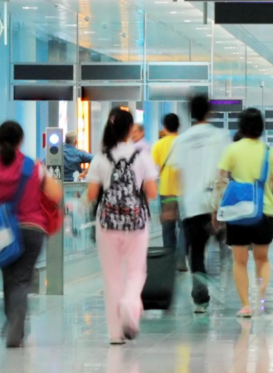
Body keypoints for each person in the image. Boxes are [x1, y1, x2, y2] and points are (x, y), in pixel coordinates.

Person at [0, 121, 65, 347]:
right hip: (33, 228)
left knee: (8, 277)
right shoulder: (34, 167)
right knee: (22, 279)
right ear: (21, 141)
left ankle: (14, 320)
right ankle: (17, 322)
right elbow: (56, 194)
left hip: (3, 232)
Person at [85, 108, 159, 344]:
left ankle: (115, 333)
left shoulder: (100, 157)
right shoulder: (142, 156)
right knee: (136, 271)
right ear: (129, 130)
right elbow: (152, 192)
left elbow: (91, 194)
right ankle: (129, 303)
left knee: (112, 277)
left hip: (107, 224)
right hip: (136, 223)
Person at [218, 108, 273, 318]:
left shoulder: (232, 150)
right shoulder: (270, 152)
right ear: (261, 127)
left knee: (239, 261)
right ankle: (260, 294)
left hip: (237, 211)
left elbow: (221, 180)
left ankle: (245, 305)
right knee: (262, 258)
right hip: (264, 211)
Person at [167, 95, 230, 313]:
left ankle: (200, 299)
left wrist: (171, 205)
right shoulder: (220, 136)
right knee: (225, 246)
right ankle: (225, 283)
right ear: (209, 112)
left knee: (196, 251)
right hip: (215, 203)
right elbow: (224, 172)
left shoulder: (181, 140)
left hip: (191, 205)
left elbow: (177, 174)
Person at [151, 113, 184, 257]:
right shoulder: (184, 143)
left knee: (168, 227)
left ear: (164, 127)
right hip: (183, 192)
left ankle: (170, 259)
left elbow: (152, 169)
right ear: (178, 126)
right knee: (184, 227)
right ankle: (181, 257)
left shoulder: (159, 145)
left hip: (166, 192)